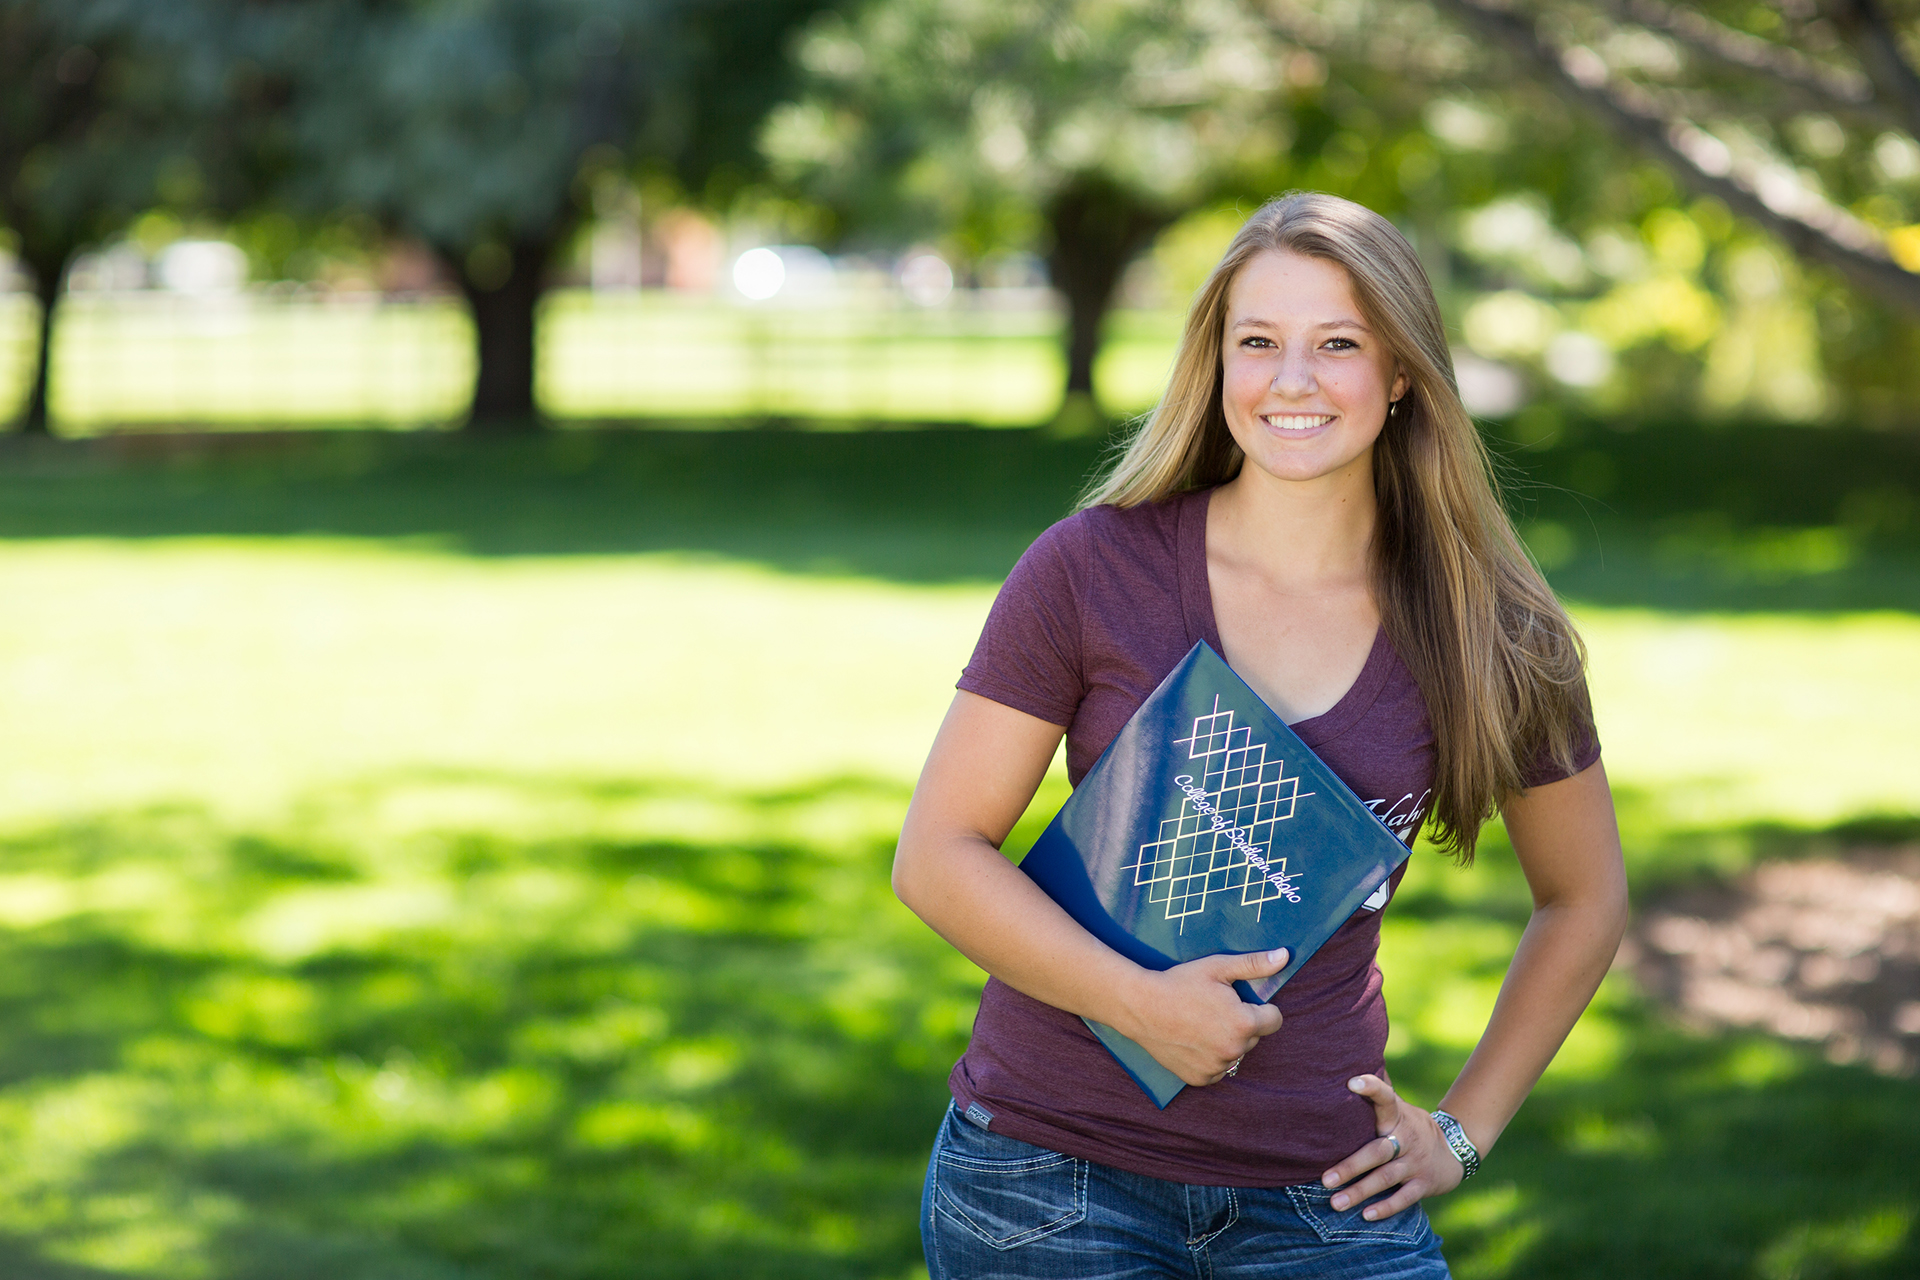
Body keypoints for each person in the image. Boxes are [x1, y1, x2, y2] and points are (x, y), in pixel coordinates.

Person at [891, 191, 1629, 1278]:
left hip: (1323, 1196)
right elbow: (937, 854)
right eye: (1258, 342)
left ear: (1403, 375)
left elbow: (1586, 897)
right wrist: (1137, 1001)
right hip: (1047, 1177)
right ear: (1216, 365)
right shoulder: (1092, 568)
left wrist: (1462, 1132)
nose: (1292, 380)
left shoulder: (1487, 625)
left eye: (1338, 343)